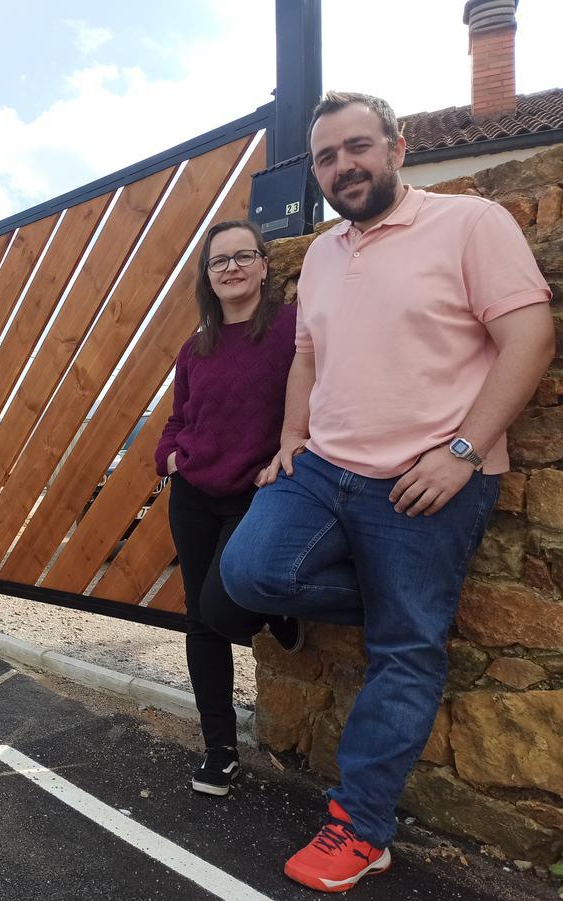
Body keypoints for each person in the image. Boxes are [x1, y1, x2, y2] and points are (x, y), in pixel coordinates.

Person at [219, 91, 554, 893]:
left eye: (358, 147)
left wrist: (464, 452)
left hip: (426, 479)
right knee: (249, 574)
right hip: (325, 468)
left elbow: (530, 335)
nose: (344, 166)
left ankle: (360, 827)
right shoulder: (328, 253)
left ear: (398, 147)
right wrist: (293, 436)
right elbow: (306, 355)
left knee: (405, 652)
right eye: (328, 157)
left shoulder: (470, 225)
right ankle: (408, 607)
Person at [154, 219, 304, 799]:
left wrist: (294, 447)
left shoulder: (292, 330)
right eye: (220, 262)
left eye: (243, 256)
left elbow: (321, 394)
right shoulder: (197, 348)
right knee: (200, 619)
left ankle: (274, 606)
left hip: (258, 493)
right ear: (208, 277)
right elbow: (176, 418)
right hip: (193, 494)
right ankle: (220, 750)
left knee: (224, 609)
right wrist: (168, 455)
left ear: (265, 266)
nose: (232, 268)